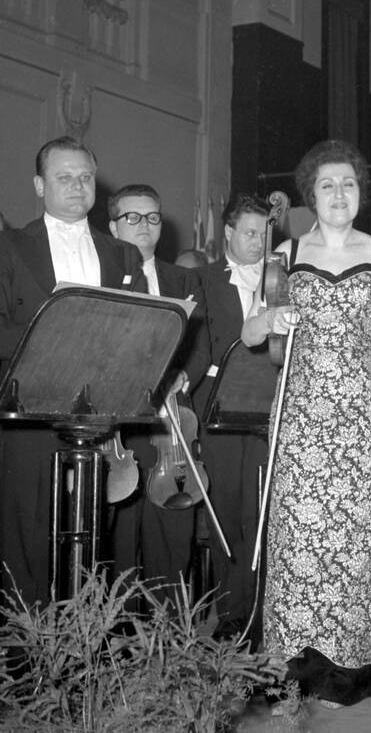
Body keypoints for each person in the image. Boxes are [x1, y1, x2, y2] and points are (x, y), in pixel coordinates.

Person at [241, 139, 371, 706]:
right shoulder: (285, 255)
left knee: (356, 539)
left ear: (361, 192)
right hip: (301, 410)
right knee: (298, 536)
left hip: (364, 414)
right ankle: (294, 661)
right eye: (327, 185)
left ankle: (353, 664)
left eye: (348, 184)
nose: (339, 194)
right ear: (309, 194)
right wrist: (271, 315)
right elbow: (250, 335)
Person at [0, 136, 147, 604]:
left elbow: (142, 333)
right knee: (26, 539)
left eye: (85, 177)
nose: (77, 186)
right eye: (64, 177)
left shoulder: (123, 255)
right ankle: (30, 660)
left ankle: (88, 651)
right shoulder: (9, 248)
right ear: (40, 185)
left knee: (92, 540)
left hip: (100, 416)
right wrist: (59, 334)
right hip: (29, 412)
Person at [106, 183, 210, 596]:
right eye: (132, 217)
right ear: (113, 226)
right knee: (121, 536)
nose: (143, 225)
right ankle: (122, 630)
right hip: (122, 424)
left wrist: (184, 374)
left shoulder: (183, 277)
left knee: (172, 529)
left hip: (171, 422)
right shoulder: (100, 274)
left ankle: (169, 628)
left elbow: (201, 345)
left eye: (152, 217)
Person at [192, 193, 271, 637]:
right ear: (227, 232)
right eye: (248, 232)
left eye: (263, 233)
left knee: (258, 513)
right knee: (225, 511)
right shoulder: (201, 279)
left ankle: (261, 613)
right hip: (219, 409)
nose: (258, 242)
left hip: (265, 411)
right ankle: (230, 615)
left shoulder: (283, 279)